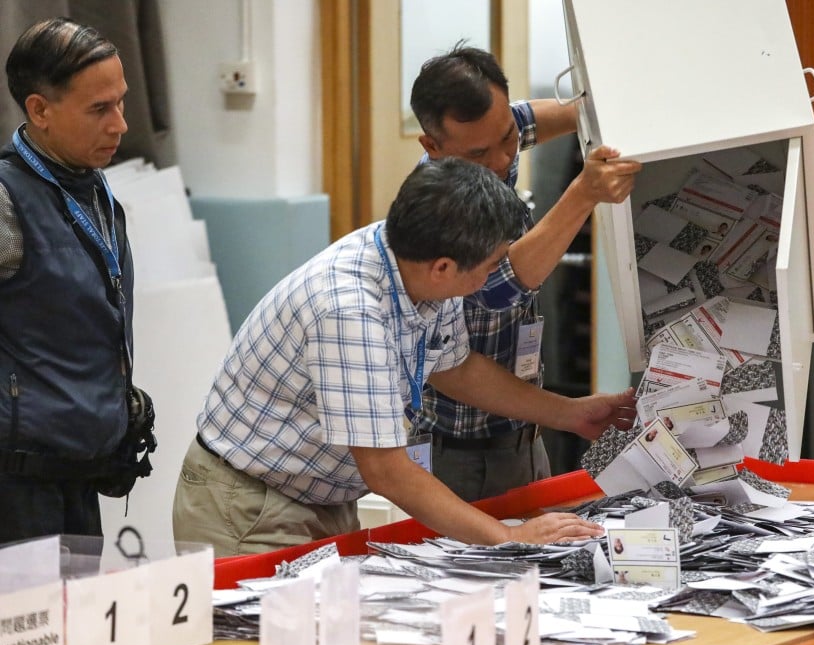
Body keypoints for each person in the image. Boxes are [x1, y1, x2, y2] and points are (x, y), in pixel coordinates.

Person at [172, 158, 636, 557]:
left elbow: (455, 367)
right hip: (250, 505)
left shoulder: (418, 265)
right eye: (494, 263)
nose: (497, 273)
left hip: (320, 496)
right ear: (444, 267)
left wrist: (571, 414)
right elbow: (387, 471)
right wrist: (511, 536)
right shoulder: (350, 311)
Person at [409, 43, 642, 502]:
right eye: (480, 153)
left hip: (525, 439)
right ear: (433, 147)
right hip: (457, 457)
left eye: (508, 140)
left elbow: (536, 118)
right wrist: (583, 195)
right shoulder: (433, 208)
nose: (500, 161)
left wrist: (599, 105)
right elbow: (497, 288)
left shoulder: (489, 139)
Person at [0, 18, 148, 543]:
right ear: (39, 110)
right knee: (29, 627)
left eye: (122, 103)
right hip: (18, 485)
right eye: (99, 109)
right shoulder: (5, 199)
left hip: (82, 470)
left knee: (80, 623)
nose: (120, 125)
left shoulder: (94, 189)